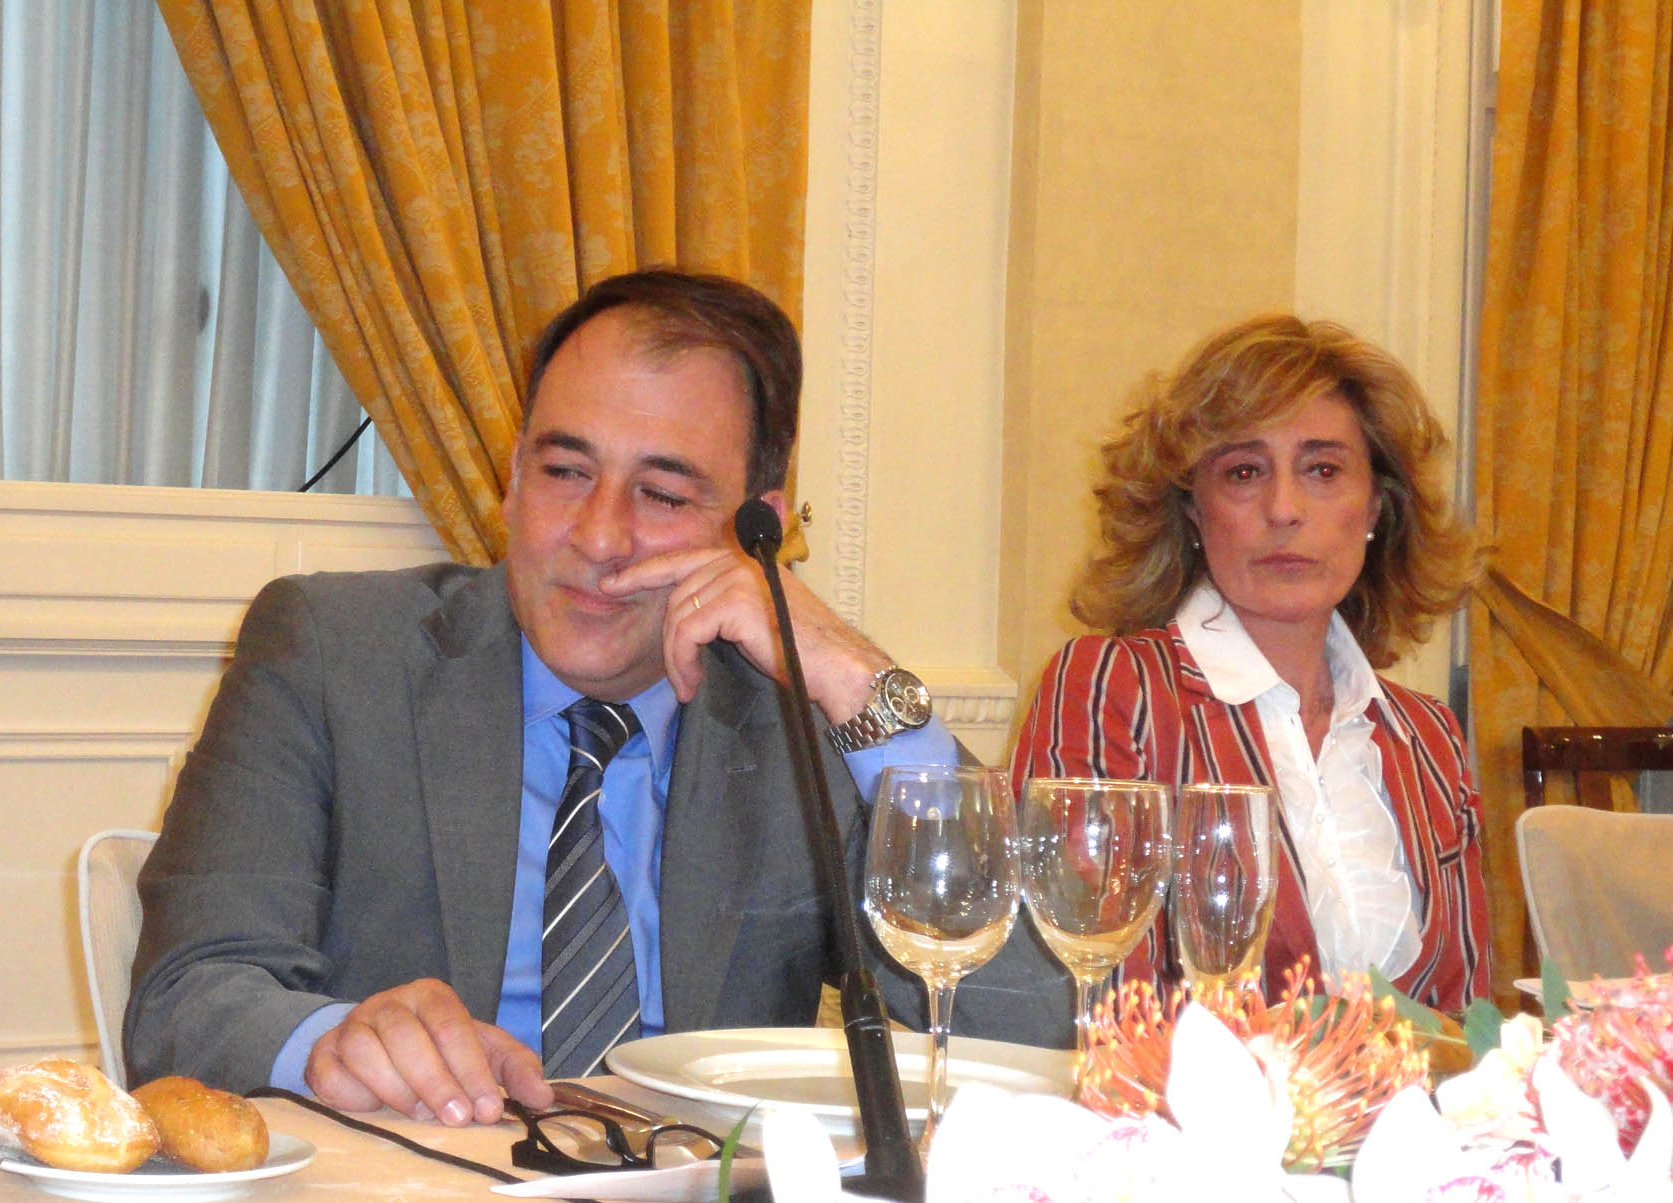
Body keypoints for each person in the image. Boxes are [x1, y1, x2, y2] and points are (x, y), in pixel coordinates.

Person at [127, 268, 1070, 1122]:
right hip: (407, 1193)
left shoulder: (803, 718)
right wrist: (335, 1043)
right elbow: (186, 998)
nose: (599, 536)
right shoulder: (335, 654)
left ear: (760, 532)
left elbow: (1035, 1023)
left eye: (663, 495)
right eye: (565, 472)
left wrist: (861, 684)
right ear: (511, 479)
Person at [1011, 314, 1488, 1007]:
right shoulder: (1113, 690)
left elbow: (1465, 1021)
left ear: (1374, 509)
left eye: (1322, 470)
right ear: (1193, 512)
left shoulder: (1429, 737)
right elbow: (1093, 996)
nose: (1283, 509)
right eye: (1244, 472)